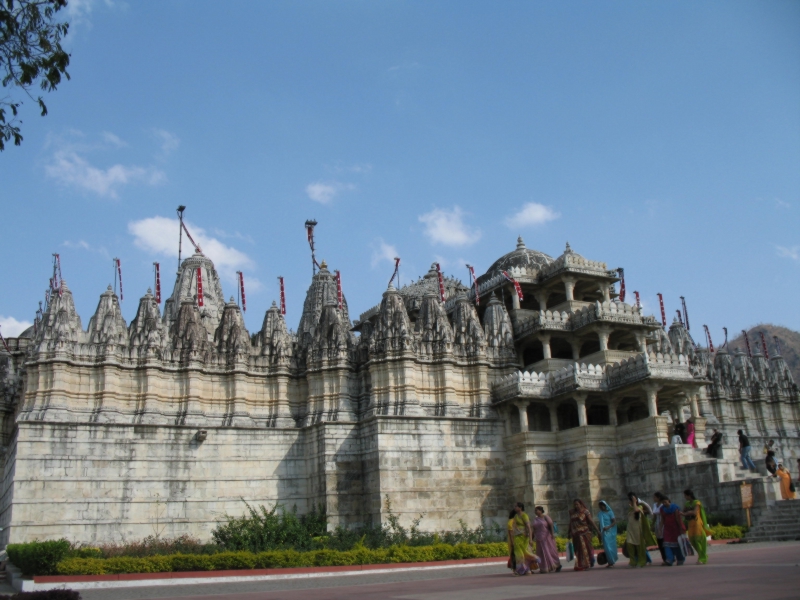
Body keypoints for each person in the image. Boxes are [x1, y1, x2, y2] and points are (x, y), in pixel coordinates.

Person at [568, 498, 601, 571]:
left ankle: (586, 564)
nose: (576, 506)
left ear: (581, 504)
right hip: (575, 534)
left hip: (584, 533)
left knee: (585, 549)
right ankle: (580, 564)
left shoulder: (585, 512)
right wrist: (569, 532)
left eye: (577, 504)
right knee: (578, 550)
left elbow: (591, 521)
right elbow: (571, 523)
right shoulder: (572, 512)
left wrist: (598, 531)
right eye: (575, 505)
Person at [625, 492, 656, 568]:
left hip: (638, 530)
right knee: (629, 545)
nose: (628, 502)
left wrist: (635, 502)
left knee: (640, 547)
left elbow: (636, 510)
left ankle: (641, 561)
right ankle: (632, 561)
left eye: (630, 501)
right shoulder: (630, 509)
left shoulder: (640, 507)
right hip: (630, 530)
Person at [508, 502, 539, 575]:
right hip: (517, 537)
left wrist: (531, 539)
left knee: (526, 552)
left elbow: (529, 527)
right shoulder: (515, 516)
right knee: (519, 554)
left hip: (524, 537)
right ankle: (521, 569)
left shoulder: (524, 516)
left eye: (516, 506)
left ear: (520, 508)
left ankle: (528, 569)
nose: (515, 508)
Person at [683, 489, 711, 564]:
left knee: (699, 540)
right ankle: (702, 555)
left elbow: (694, 512)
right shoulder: (687, 504)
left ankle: (702, 558)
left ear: (689, 495)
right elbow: (684, 511)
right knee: (692, 540)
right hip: (690, 524)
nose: (685, 497)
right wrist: (686, 513)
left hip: (697, 524)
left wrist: (687, 513)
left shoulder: (697, 502)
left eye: (685, 495)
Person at [532, 506, 561, 573]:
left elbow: (551, 525)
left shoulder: (546, 517)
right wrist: (531, 538)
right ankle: (544, 568)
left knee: (549, 552)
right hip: (539, 539)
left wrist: (552, 534)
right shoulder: (535, 519)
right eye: (535, 510)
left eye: (537, 510)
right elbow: (534, 529)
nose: (536, 512)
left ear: (541, 510)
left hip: (546, 537)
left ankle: (556, 565)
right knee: (541, 553)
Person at [659, 495, 686, 566]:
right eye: (663, 502)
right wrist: (660, 528)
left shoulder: (675, 508)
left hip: (675, 528)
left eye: (665, 502)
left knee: (677, 545)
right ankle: (669, 559)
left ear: (669, 501)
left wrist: (680, 528)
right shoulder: (662, 509)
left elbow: (678, 519)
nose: (664, 504)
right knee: (666, 544)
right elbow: (662, 519)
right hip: (667, 529)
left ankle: (680, 559)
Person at [597, 501, 617, 567]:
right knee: (607, 547)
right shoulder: (600, 514)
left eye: (602, 506)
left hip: (610, 532)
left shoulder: (610, 513)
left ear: (605, 506)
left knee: (611, 547)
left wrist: (608, 527)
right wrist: (599, 531)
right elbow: (600, 523)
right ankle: (610, 562)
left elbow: (614, 522)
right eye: (600, 507)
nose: (601, 508)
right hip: (604, 532)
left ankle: (612, 560)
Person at [652, 492, 667, 563]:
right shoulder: (655, 505)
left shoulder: (662, 505)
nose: (654, 499)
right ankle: (664, 558)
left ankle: (667, 557)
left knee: (664, 541)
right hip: (657, 524)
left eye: (655, 497)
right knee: (660, 542)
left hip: (663, 524)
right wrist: (652, 524)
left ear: (658, 498)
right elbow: (654, 516)